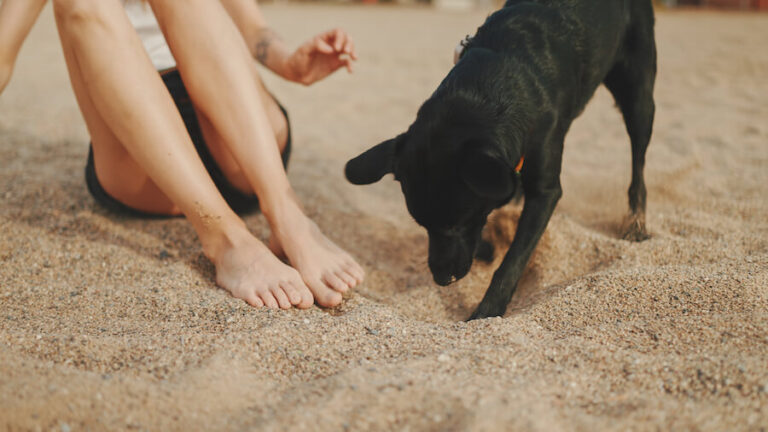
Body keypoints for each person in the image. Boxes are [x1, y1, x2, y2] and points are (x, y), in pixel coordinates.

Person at [0, 0, 365, 310]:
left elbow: (254, 31)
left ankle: (288, 214)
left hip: (239, 139)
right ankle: (227, 240)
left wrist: (290, 63)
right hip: (144, 151)